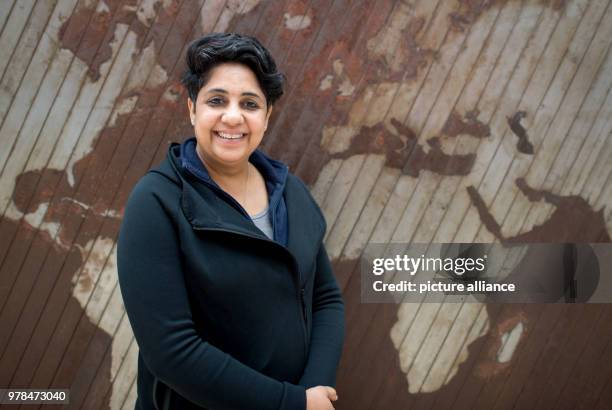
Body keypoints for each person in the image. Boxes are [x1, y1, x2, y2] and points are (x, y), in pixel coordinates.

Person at [117, 33, 345, 410]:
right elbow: (172, 352)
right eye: (217, 100)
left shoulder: (290, 193)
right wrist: (292, 403)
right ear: (192, 109)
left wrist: (315, 390)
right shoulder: (156, 203)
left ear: (267, 116)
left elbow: (325, 298)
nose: (233, 116)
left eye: (250, 103)